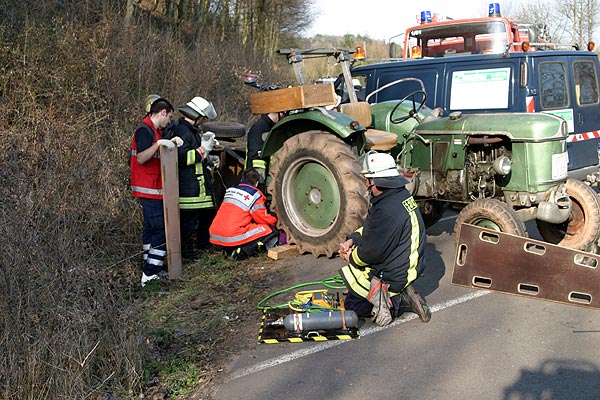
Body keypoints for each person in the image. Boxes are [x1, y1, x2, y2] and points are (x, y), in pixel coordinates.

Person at [338, 150, 431, 326]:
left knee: (353, 305)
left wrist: (351, 257)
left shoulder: (387, 209)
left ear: (377, 181)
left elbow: (372, 252)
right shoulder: (396, 196)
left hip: (397, 272)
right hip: (406, 265)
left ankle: (394, 302)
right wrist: (353, 240)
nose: (365, 183)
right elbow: (373, 230)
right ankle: (398, 291)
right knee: (356, 277)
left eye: (367, 179)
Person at [130, 96, 176, 287]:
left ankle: (149, 266)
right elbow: (141, 158)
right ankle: (150, 272)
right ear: (163, 112)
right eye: (169, 117)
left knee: (150, 230)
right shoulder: (145, 131)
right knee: (161, 231)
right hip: (149, 189)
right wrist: (158, 145)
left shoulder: (155, 131)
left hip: (153, 189)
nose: (169, 121)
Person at [173, 96, 219, 259]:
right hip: (190, 188)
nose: (203, 120)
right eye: (203, 117)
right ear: (196, 115)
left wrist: (208, 158)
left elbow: (197, 156)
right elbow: (182, 158)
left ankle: (203, 246)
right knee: (188, 223)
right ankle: (186, 253)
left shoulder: (191, 131)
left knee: (207, 215)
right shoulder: (183, 131)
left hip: (199, 186)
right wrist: (203, 151)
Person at [209, 168, 279, 260]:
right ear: (257, 183)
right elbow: (263, 219)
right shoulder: (254, 195)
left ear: (242, 180)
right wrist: (276, 220)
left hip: (215, 235)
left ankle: (228, 249)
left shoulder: (230, 190)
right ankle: (240, 252)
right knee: (269, 229)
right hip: (231, 236)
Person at [245, 112, 283, 188]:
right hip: (256, 178)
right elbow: (256, 157)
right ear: (281, 113)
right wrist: (259, 182)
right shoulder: (260, 128)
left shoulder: (268, 127)